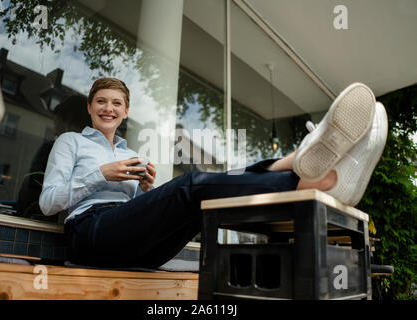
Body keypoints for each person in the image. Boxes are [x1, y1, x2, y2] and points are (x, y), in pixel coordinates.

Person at [39, 78, 388, 269]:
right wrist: (101, 174)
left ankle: (290, 163)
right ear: (89, 107)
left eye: (116, 103)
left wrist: (145, 190)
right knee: (189, 185)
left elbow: (141, 213)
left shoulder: (130, 154)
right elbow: (47, 204)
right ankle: (299, 175)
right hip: (87, 236)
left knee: (201, 203)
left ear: (126, 111)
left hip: (134, 246)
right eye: (101, 101)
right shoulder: (70, 142)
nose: (108, 108)